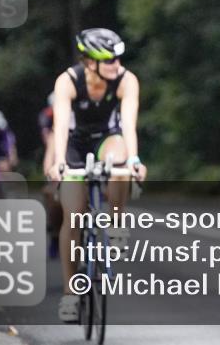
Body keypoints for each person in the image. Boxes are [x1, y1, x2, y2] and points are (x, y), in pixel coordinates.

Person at [46, 28, 147, 323]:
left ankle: (116, 223)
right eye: (109, 61)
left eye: (118, 59)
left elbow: (128, 125)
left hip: (109, 138)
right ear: (90, 62)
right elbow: (61, 126)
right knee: (73, 217)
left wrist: (135, 160)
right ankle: (70, 293)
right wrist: (59, 162)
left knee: (120, 161)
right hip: (75, 144)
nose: (117, 65)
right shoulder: (67, 81)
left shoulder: (127, 80)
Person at [38, 93, 61, 258]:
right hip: (61, 174)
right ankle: (54, 233)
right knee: (51, 194)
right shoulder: (52, 132)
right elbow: (48, 165)